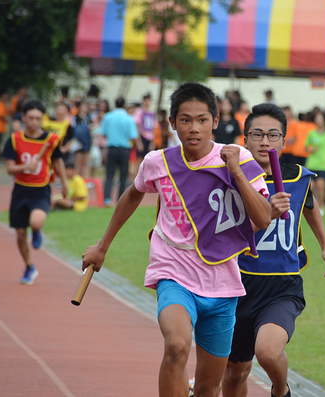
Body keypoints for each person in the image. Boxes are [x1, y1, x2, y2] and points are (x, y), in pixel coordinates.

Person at [81, 82, 271, 397]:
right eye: (185, 120)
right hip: (174, 273)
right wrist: (102, 246)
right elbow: (132, 195)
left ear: (215, 120)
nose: (193, 128)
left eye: (201, 120)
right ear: (172, 123)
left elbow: (263, 219)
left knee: (208, 389)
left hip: (223, 283)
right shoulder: (159, 162)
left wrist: (236, 172)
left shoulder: (240, 159)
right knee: (177, 346)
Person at [222, 103, 325, 397]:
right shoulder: (232, 177)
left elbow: (308, 207)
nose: (265, 142)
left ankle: (280, 389)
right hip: (238, 284)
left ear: (284, 141)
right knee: (236, 371)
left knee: (269, 352)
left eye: (273, 135)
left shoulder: (298, 176)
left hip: (282, 284)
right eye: (257, 134)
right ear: (244, 139)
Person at [2, 99, 68, 285]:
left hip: (40, 190)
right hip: (20, 190)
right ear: (23, 117)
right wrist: (24, 166)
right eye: (30, 118)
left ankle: (37, 231)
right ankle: (29, 266)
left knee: (36, 222)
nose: (34, 122)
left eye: (38, 118)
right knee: (21, 234)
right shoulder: (15, 140)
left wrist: (64, 183)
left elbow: (58, 162)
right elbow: (9, 169)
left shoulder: (50, 141)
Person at [99, 97, 138, 207]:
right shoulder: (129, 118)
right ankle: (120, 200)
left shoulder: (108, 117)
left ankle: (107, 199)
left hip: (112, 148)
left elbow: (102, 133)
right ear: (124, 105)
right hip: (125, 149)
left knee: (109, 174)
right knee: (123, 176)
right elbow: (133, 136)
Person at [133, 93, 156, 176]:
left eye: (149, 100)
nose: (147, 102)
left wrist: (153, 142)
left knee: (148, 160)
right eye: (146, 100)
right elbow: (137, 126)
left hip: (149, 138)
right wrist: (138, 142)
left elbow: (154, 128)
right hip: (142, 137)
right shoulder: (140, 111)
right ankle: (135, 180)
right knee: (139, 159)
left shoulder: (152, 113)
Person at [71, 101, 92, 178]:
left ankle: (84, 180)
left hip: (87, 142)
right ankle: (77, 179)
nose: (84, 108)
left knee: (85, 163)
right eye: (83, 106)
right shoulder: (75, 118)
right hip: (78, 143)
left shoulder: (87, 118)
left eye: (86, 106)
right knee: (78, 163)